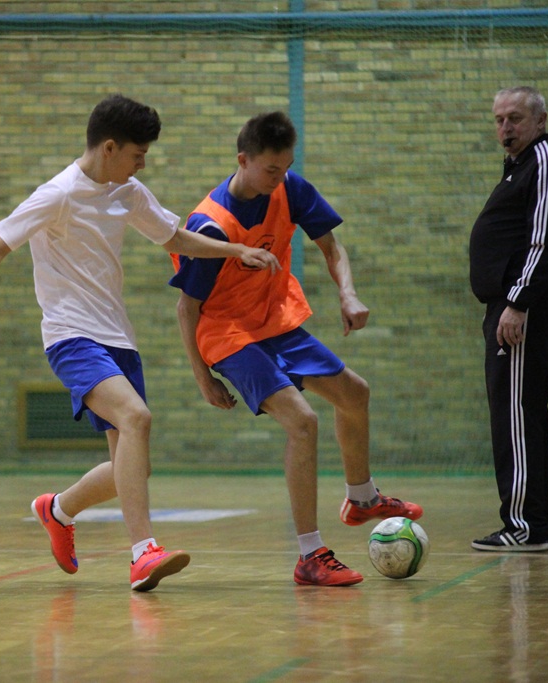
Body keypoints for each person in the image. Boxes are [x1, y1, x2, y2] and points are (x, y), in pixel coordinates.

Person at [0, 94, 280, 591]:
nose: (142, 162)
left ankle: (58, 509)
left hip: (118, 338)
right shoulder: (57, 194)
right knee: (137, 418)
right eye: (137, 153)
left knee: (133, 466)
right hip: (70, 335)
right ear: (109, 148)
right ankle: (143, 553)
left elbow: (173, 238)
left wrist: (236, 249)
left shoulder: (126, 191)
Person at [169, 111, 422, 587]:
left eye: (284, 168)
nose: (279, 179)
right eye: (270, 170)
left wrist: (347, 293)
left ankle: (363, 497)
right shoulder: (211, 225)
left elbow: (332, 248)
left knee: (355, 393)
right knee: (303, 422)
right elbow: (187, 309)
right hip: (227, 334)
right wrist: (203, 377)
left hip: (275, 323)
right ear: (243, 160)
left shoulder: (290, 189)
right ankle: (309, 554)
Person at [468, 86, 548, 552]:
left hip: (523, 311)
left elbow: (544, 242)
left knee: (517, 416)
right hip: (511, 308)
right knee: (517, 414)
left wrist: (517, 303)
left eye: (514, 118)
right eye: (498, 119)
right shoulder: (520, 166)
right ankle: (531, 523)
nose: (505, 128)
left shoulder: (546, 162)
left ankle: (527, 526)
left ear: (540, 119)